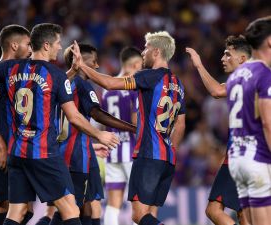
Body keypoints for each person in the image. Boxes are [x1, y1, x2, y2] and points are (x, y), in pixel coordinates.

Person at [0, 23, 119, 225]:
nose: (60, 47)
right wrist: (99, 134)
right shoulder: (55, 75)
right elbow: (74, 117)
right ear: (47, 45)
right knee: (70, 208)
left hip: (17, 153)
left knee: (17, 212)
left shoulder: (10, 68)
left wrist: (73, 71)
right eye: (58, 43)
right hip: (44, 153)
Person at [71, 31, 186, 225]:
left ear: (156, 52)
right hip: (166, 157)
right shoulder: (178, 84)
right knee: (149, 214)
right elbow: (181, 125)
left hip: (148, 154)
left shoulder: (149, 76)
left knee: (138, 215)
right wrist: (172, 150)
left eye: (146, 48)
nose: (143, 52)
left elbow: (109, 83)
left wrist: (81, 65)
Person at [47, 43, 136, 225]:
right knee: (72, 210)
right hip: (76, 157)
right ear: (82, 61)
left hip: (59, 153)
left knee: (71, 208)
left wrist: (92, 145)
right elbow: (97, 114)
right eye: (93, 62)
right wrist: (132, 128)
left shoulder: (58, 82)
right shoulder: (83, 85)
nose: (96, 66)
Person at [186, 35, 251, 225]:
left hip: (240, 157)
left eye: (227, 54)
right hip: (249, 156)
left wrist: (198, 65)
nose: (223, 59)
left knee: (214, 210)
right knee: (243, 215)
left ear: (242, 59)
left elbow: (215, 91)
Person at [0, 24, 33, 225]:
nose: (30, 49)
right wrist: (1, 146)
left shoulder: (8, 71)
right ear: (14, 45)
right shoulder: (2, 74)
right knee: (22, 211)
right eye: (28, 44)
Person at [226, 16, 271, 225]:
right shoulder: (264, 73)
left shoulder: (234, 76)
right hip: (257, 158)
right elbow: (267, 122)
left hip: (237, 159)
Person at [102, 46, 141, 225]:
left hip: (112, 150)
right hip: (131, 151)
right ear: (133, 64)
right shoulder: (133, 87)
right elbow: (135, 120)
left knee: (113, 202)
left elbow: (103, 121)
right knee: (138, 200)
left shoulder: (107, 89)